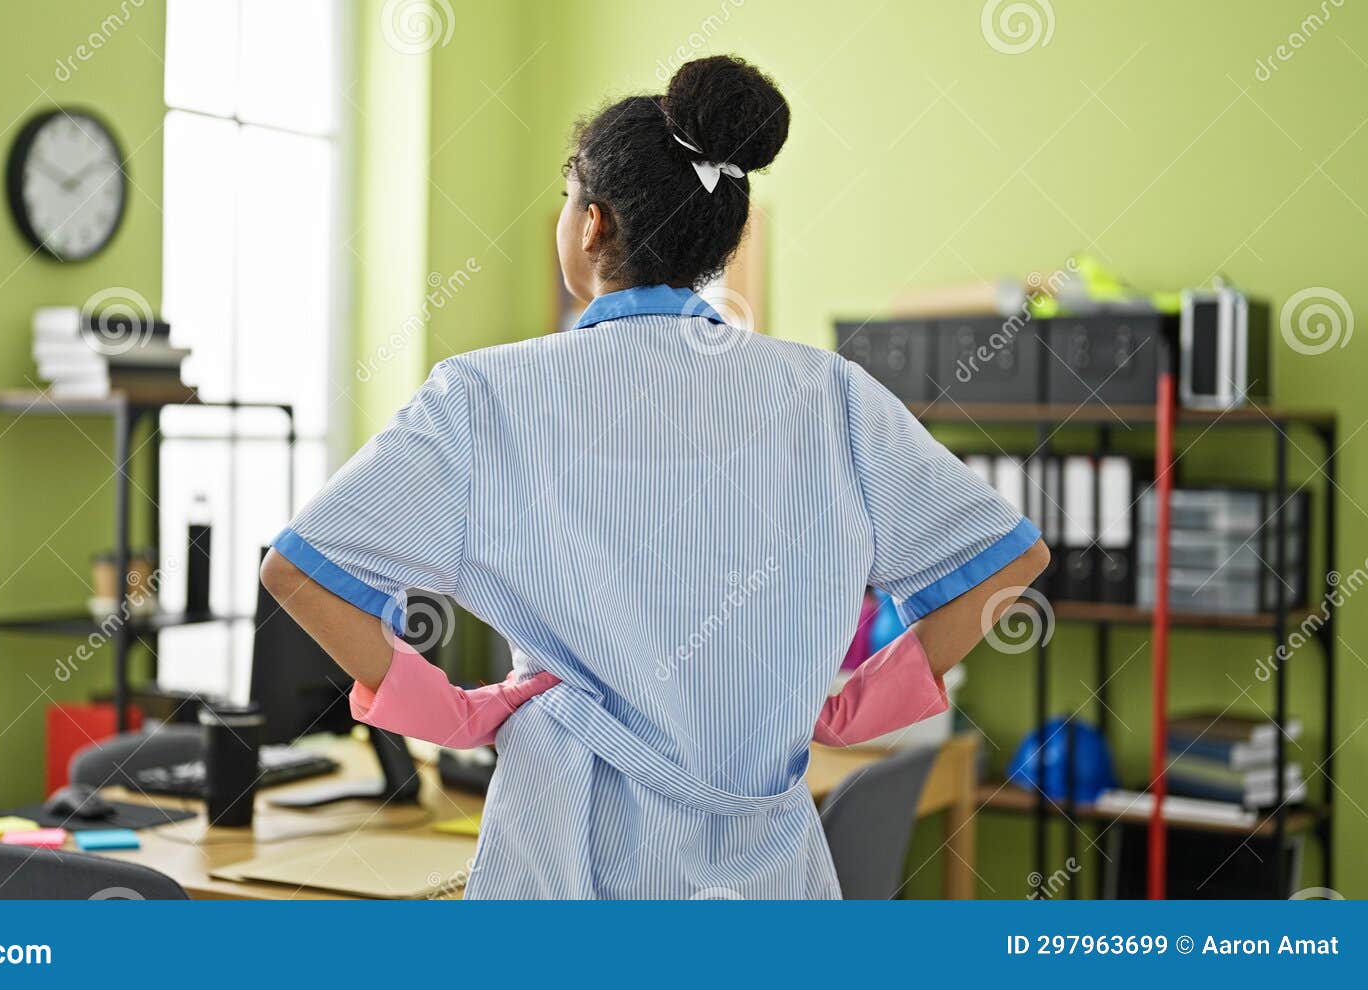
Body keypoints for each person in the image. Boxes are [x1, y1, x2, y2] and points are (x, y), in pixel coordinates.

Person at [261, 55, 1048, 899]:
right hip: (768, 873)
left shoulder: (484, 393)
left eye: (567, 201)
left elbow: (301, 570)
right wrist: (858, 707)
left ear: (593, 225)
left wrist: (447, 711)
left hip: (564, 858)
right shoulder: (831, 395)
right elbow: (1008, 562)